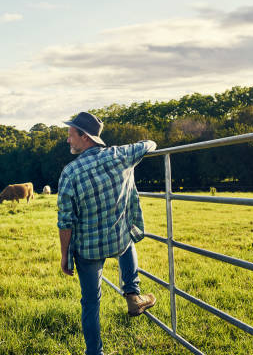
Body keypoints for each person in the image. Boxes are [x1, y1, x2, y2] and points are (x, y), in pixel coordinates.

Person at [57, 111, 157, 355]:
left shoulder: (70, 172)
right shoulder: (120, 154)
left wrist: (64, 256)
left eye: (71, 135)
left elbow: (65, 222)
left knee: (90, 303)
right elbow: (150, 144)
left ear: (85, 137)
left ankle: (94, 353)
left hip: (88, 250)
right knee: (128, 239)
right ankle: (133, 295)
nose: (68, 140)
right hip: (118, 241)